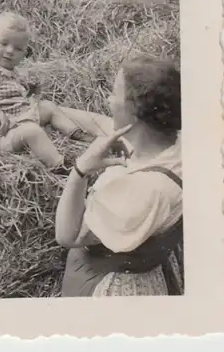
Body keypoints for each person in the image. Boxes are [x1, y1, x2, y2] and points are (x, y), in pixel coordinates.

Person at [55, 55, 183, 296]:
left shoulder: (142, 192)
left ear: (134, 112)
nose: (108, 99)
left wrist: (80, 170)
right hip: (148, 262)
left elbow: (67, 234)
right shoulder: (174, 147)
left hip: (109, 284)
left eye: (115, 93)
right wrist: (51, 110)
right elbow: (102, 123)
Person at [0, 11, 93, 170]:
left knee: (48, 107)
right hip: (2, 132)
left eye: (17, 49)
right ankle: (60, 165)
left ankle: (75, 133)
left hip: (20, 117)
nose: (10, 51)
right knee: (32, 132)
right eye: (3, 44)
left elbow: (15, 96)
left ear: (25, 54)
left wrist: (30, 92)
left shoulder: (12, 72)